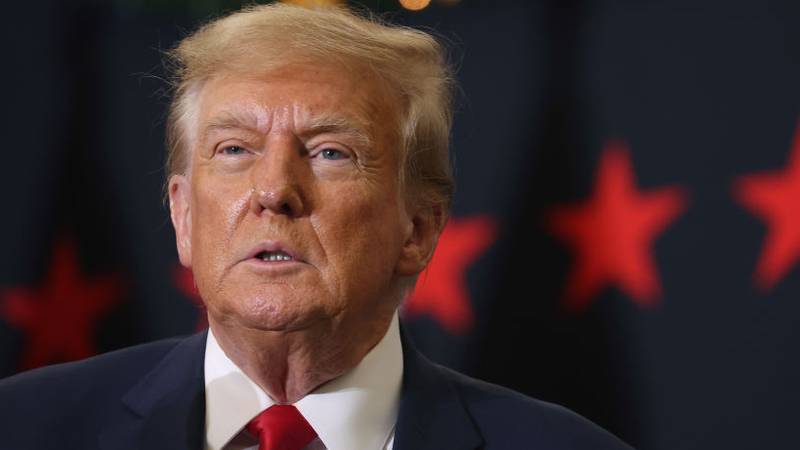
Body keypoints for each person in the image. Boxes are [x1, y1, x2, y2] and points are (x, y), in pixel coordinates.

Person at [0, 4, 633, 450]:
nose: (274, 191)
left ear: (418, 229)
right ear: (184, 216)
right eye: (234, 150)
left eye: (330, 152)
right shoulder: (23, 427)